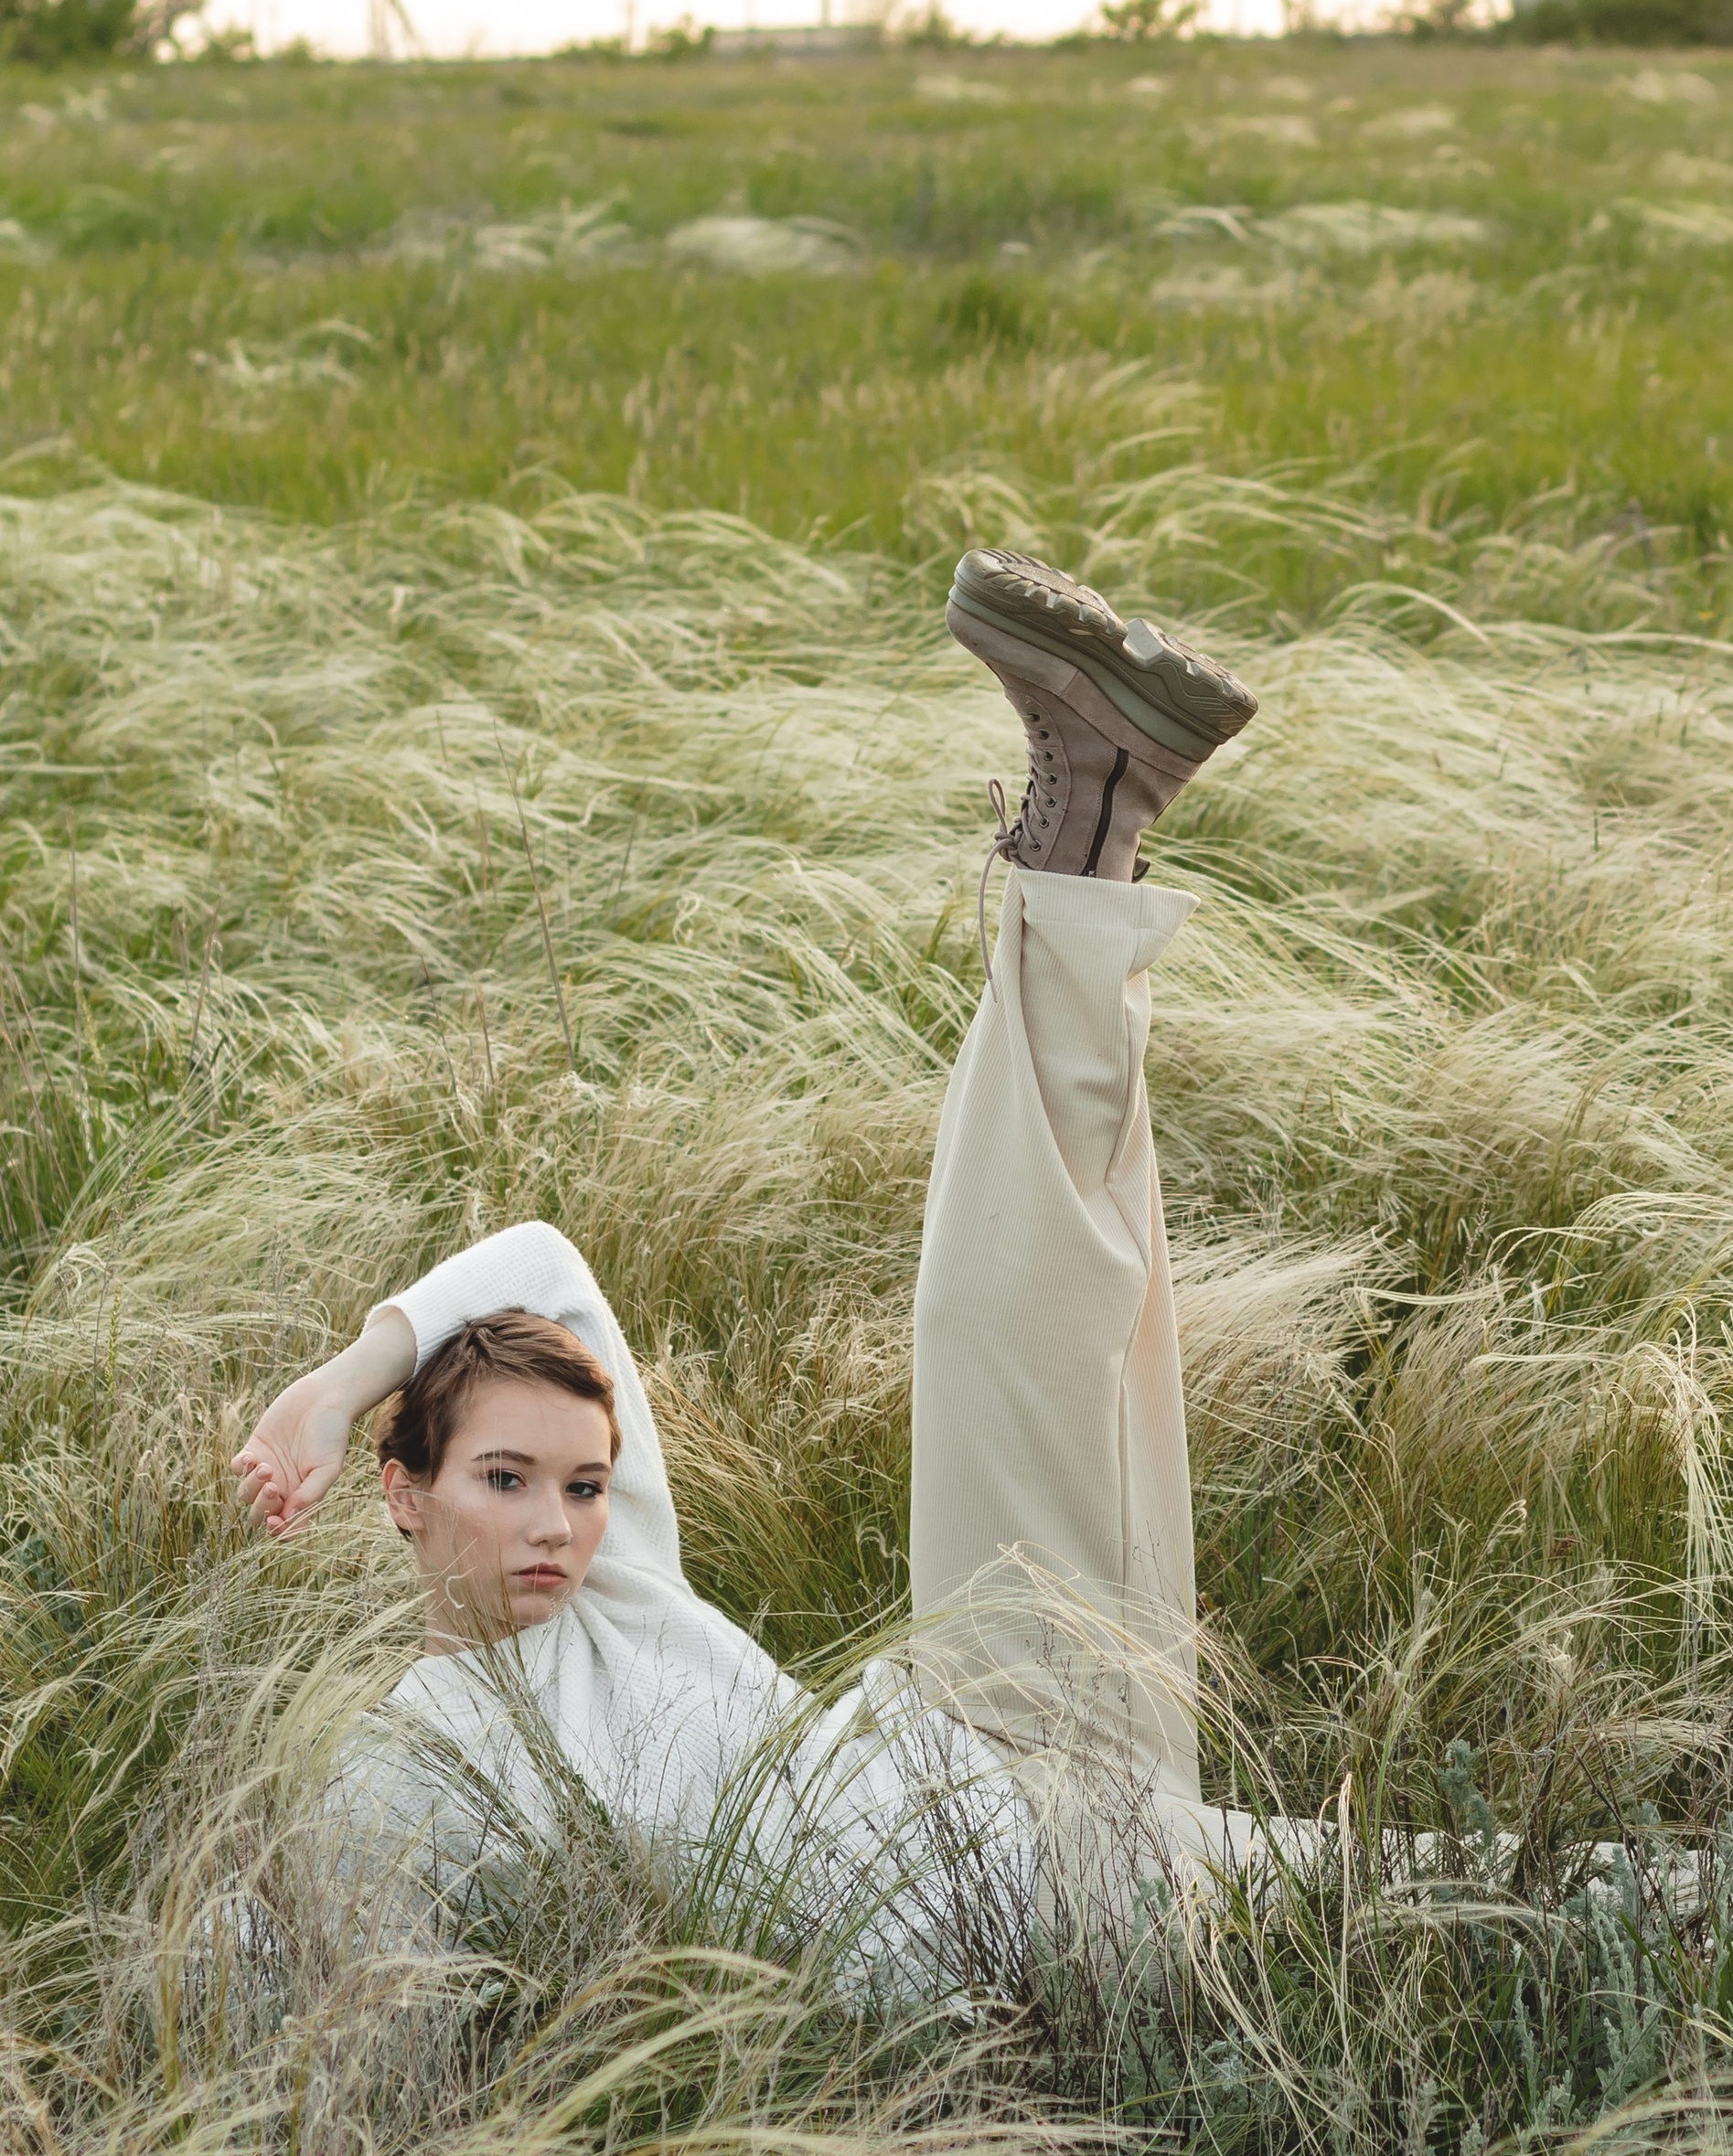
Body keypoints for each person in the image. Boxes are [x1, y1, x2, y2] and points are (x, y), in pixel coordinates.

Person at [235, 546, 1282, 1982]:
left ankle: (1084, 852)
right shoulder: (400, 1755)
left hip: (973, 1742)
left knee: (991, 1324)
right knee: (1515, 1905)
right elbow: (314, 1965)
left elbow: (543, 1259)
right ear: (402, 1498)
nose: (561, 1524)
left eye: (586, 1484)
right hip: (998, 1915)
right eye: (507, 1482)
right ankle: (1089, 842)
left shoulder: (619, 1589)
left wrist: (343, 1377)